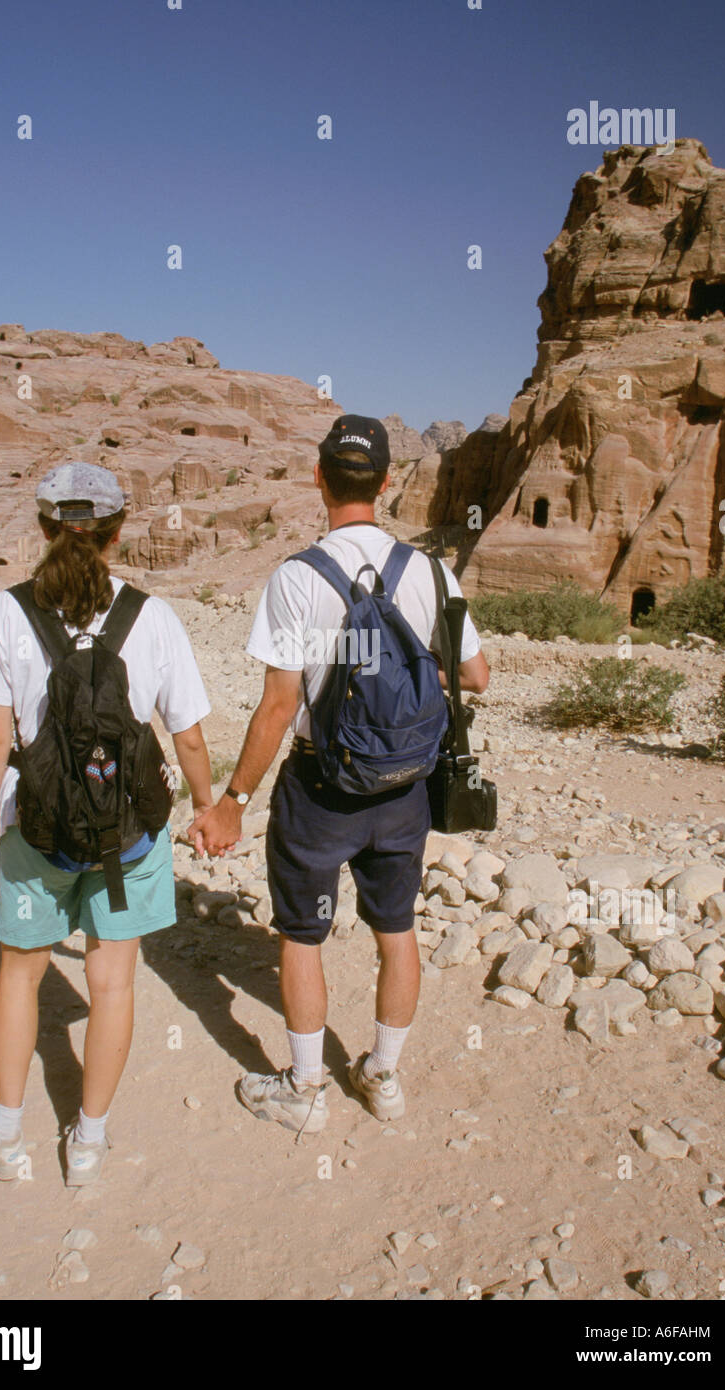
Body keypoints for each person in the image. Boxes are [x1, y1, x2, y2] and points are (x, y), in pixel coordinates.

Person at [191, 415, 489, 1135]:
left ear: (317, 477)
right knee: (396, 930)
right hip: (405, 788)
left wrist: (231, 802)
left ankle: (305, 1090)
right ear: (387, 483)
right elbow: (477, 676)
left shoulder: (296, 577)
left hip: (321, 791)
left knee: (302, 937)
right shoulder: (431, 571)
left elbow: (278, 705)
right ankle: (382, 1077)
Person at [0, 462, 213, 1184]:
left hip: (34, 831)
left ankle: (5, 1137)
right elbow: (187, 733)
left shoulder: (6, 612)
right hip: (127, 831)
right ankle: (88, 1143)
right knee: (114, 982)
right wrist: (208, 805)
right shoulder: (152, 616)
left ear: (43, 528)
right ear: (118, 530)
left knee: (18, 976)